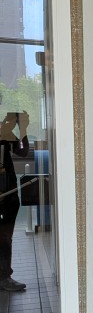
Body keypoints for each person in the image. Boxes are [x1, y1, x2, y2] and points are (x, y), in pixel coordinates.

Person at [0, 111, 29, 292]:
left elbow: (23, 151)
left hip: (9, 193)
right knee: (3, 237)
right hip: (3, 195)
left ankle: (4, 275)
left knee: (5, 237)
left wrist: (23, 129)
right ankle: (4, 277)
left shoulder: (6, 135)